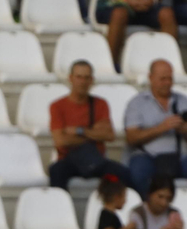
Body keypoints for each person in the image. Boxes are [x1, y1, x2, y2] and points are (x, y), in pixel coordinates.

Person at [123, 58, 187, 206]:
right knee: (137, 170)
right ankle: (148, 213)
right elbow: (131, 138)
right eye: (162, 79)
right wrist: (161, 128)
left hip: (178, 158)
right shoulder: (137, 103)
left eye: (170, 78)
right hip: (149, 157)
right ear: (151, 78)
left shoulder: (183, 101)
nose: (167, 83)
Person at [48, 59, 129, 188]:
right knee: (56, 171)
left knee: (123, 173)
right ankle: (61, 207)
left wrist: (80, 131)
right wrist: (93, 133)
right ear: (71, 78)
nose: (82, 82)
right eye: (79, 77)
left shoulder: (100, 104)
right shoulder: (57, 106)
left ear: (92, 80)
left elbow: (109, 135)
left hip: (95, 160)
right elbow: (60, 141)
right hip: (69, 160)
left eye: (86, 78)